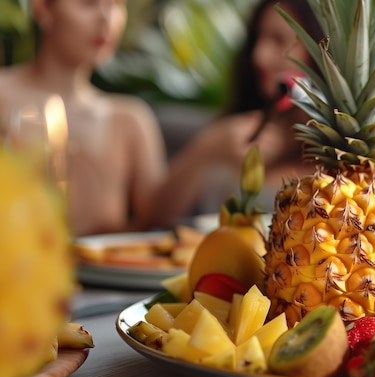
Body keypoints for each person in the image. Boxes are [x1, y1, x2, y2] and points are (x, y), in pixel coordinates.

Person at [0, 0, 168, 237]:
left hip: (103, 274)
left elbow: (157, 223)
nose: (106, 19)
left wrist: (208, 151)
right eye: (88, 3)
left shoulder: (130, 119)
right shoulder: (3, 97)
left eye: (117, 4)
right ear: (43, 8)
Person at [150, 0, 324, 226]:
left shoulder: (349, 158)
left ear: (320, 50)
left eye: (279, 40)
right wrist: (210, 146)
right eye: (258, 39)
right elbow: (153, 218)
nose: (258, 56)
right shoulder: (232, 132)